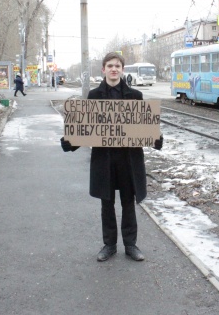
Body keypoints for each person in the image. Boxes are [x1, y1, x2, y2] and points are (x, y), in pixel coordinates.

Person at [60, 52, 163, 262]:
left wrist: (156, 138)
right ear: (104, 70)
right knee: (106, 203)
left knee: (128, 202)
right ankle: (109, 245)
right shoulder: (94, 97)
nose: (114, 69)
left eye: (117, 65)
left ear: (122, 70)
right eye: (110, 66)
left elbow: (142, 126)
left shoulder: (135, 96)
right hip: (104, 159)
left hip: (128, 159)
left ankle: (131, 245)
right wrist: (70, 142)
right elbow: (88, 129)